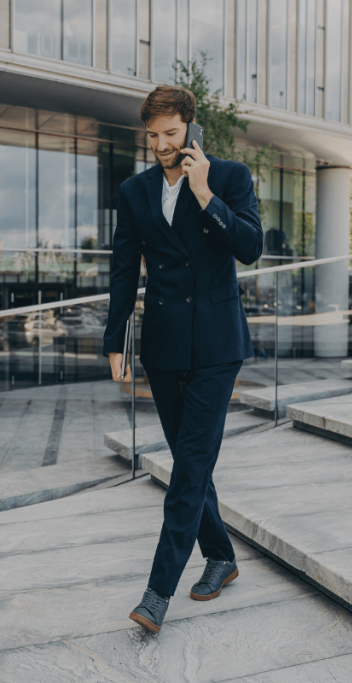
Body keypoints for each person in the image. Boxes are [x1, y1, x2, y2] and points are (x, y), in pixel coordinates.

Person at [103, 85, 263, 633]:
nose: (161, 145)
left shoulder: (230, 179)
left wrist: (204, 194)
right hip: (164, 346)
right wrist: (115, 339)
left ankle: (156, 593)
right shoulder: (134, 191)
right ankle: (221, 556)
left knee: (190, 468)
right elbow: (124, 269)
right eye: (153, 136)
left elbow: (251, 247)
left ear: (192, 129)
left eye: (171, 134)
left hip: (218, 347)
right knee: (189, 463)